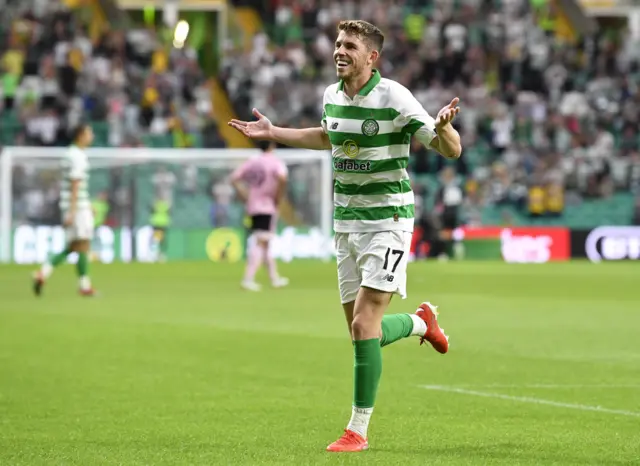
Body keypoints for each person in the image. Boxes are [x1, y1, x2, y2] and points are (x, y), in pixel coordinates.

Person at [229, 20, 461, 452]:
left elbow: (450, 149)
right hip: (347, 224)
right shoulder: (331, 95)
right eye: (338, 43)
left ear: (371, 57)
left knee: (363, 323)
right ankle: (419, 322)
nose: (340, 50)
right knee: (360, 332)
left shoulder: (395, 96)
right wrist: (274, 132)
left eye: (350, 45)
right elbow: (327, 136)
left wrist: (445, 127)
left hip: (388, 221)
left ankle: (357, 430)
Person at [33, 124, 97, 297]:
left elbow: (74, 184)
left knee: (73, 247)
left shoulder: (69, 154)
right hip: (77, 208)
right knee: (83, 244)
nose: (92, 136)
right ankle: (84, 286)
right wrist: (74, 210)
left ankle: (43, 273)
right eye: (89, 133)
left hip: (73, 205)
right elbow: (75, 183)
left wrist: (85, 204)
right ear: (81, 135)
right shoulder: (78, 156)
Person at [230, 140, 289, 291]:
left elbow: (234, 178)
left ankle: (274, 278)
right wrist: (278, 196)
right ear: (272, 146)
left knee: (265, 242)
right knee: (261, 242)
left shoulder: (252, 161)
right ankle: (248, 279)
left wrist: (245, 195)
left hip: (253, 205)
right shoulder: (275, 162)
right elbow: (282, 178)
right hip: (267, 206)